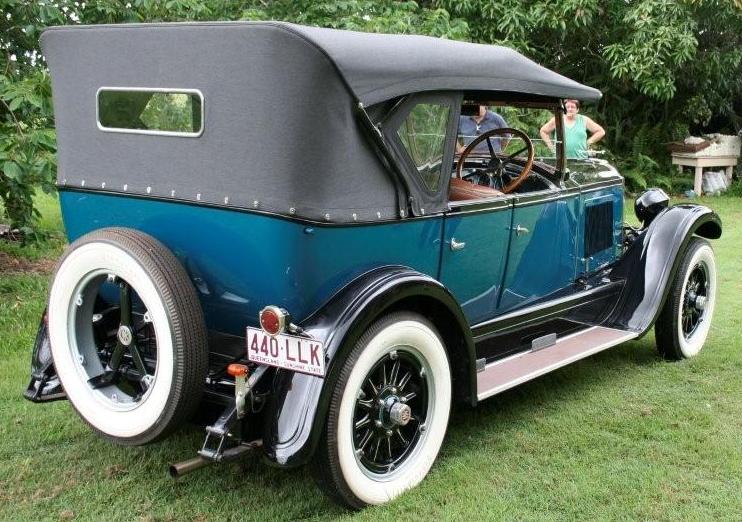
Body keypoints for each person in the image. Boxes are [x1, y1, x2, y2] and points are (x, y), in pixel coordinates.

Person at [540, 99, 605, 159]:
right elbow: (543, 131)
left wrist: (588, 142)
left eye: (572, 107)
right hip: (560, 161)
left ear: (577, 109)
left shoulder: (584, 120)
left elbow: (601, 131)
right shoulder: (558, 119)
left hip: (580, 159)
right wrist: (551, 147)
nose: (570, 109)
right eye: (567, 107)